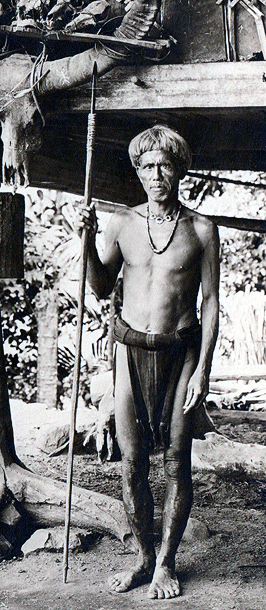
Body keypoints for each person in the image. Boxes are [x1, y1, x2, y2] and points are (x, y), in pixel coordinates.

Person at [78, 124, 220, 600]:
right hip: (129, 350)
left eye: (165, 165)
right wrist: (86, 242)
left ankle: (166, 562)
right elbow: (100, 287)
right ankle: (142, 556)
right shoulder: (121, 223)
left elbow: (212, 303)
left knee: (177, 460)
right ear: (137, 172)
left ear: (179, 170)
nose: (156, 175)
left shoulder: (202, 229)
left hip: (180, 354)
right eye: (147, 166)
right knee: (132, 461)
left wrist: (204, 369)